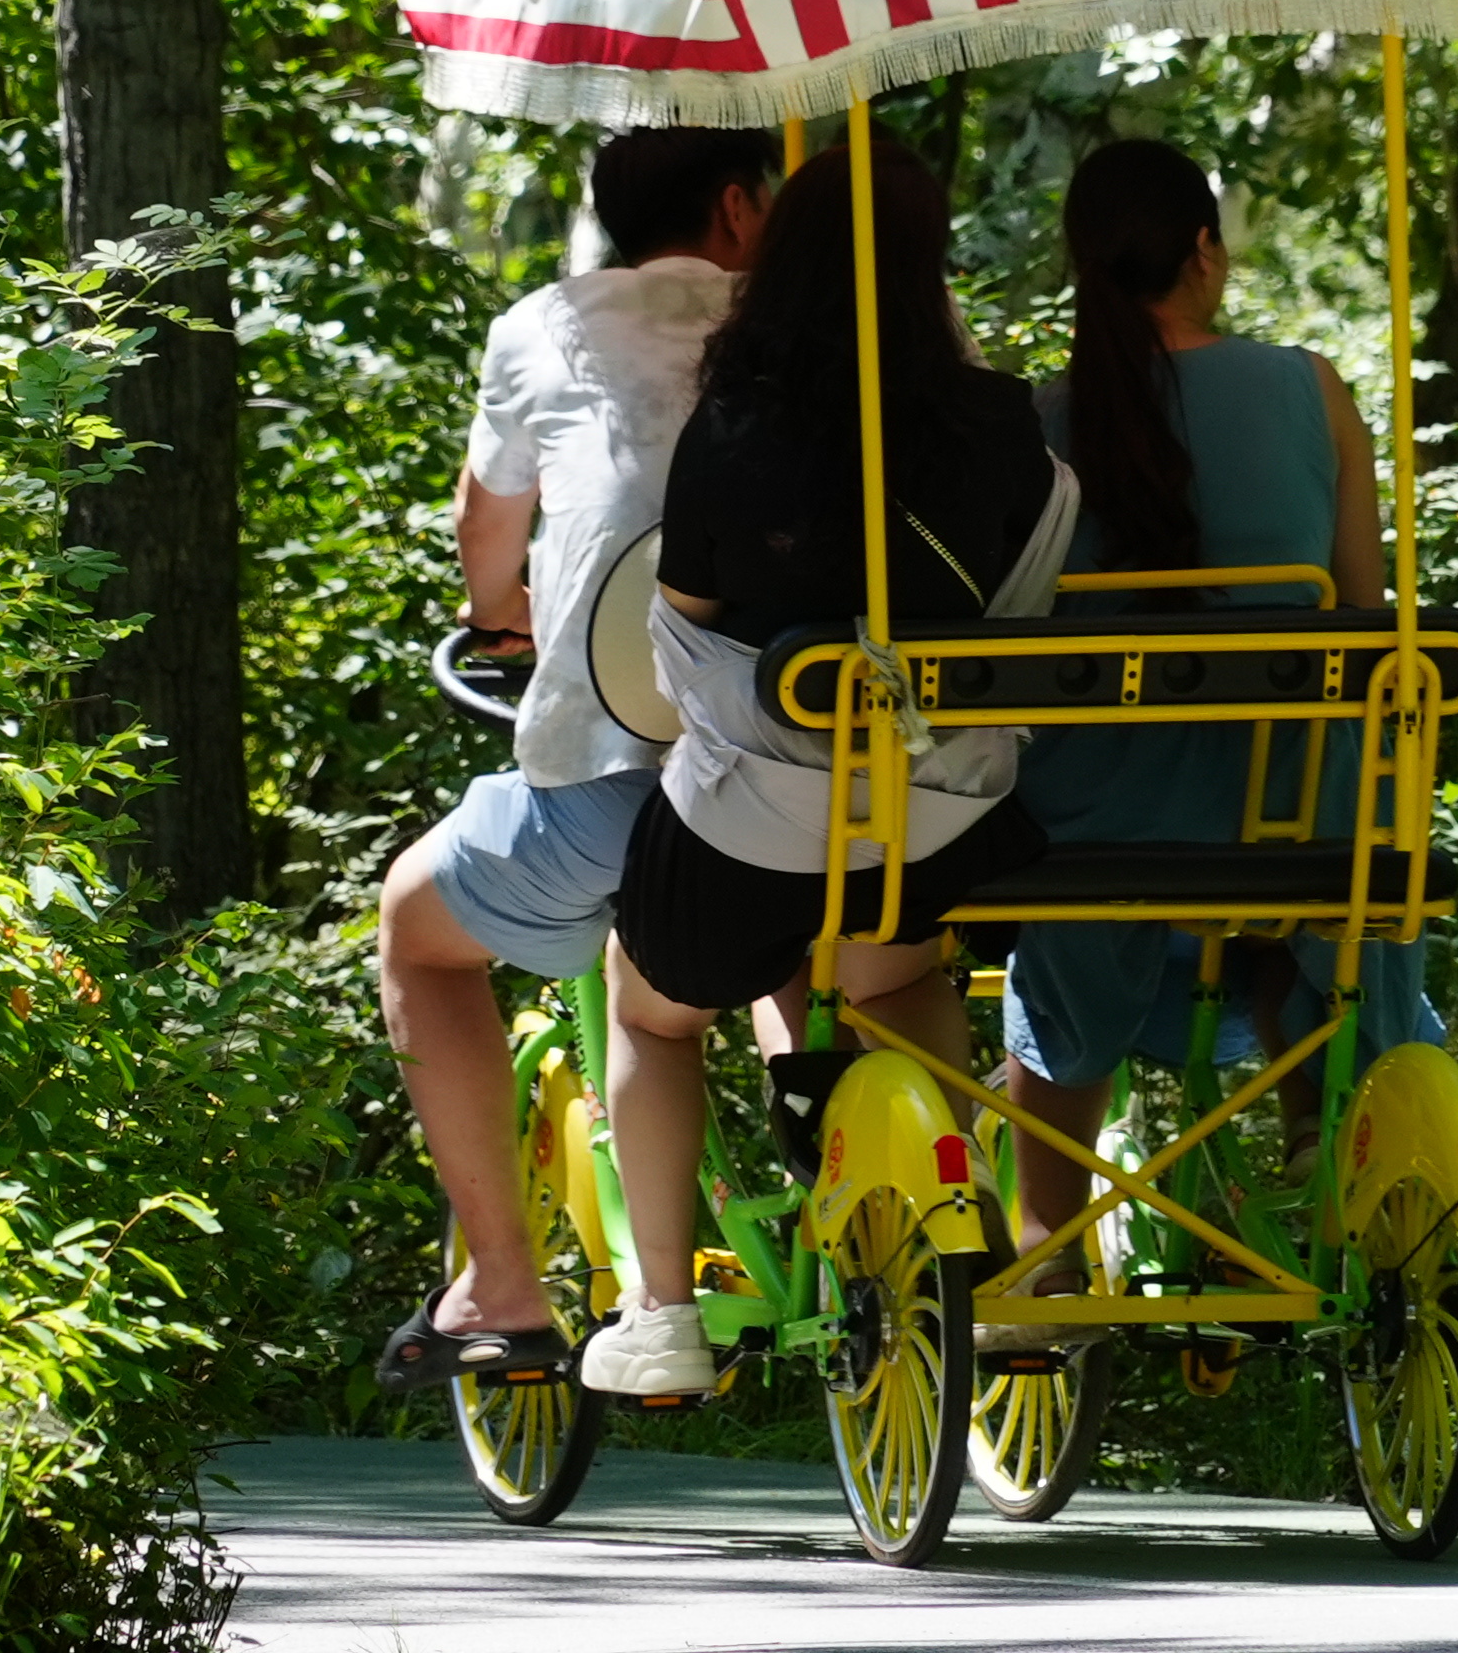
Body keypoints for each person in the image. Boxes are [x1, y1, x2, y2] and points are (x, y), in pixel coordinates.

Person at [576, 141, 1078, 1397]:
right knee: (896, 971)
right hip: (939, 811)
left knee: (645, 1002)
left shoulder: (737, 423)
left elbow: (682, 617)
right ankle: (948, 1219)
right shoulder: (1000, 423)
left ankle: (661, 1308)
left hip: (757, 824)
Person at [371, 125, 776, 1394]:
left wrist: (502, 615)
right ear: (736, 206)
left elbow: (486, 522)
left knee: (414, 927)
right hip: (836, 756)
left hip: (624, 771)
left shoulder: (548, 326)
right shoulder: (826, 327)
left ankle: (500, 1284)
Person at [1000, 136, 1441, 1260]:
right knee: (1299, 800)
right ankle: (1307, 1127)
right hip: (1285, 807)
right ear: (1203, 251)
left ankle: (1047, 1238)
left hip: (1096, 817)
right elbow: (1361, 612)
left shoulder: (1037, 426)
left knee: (1067, 933)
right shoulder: (1308, 388)